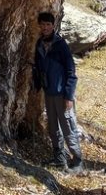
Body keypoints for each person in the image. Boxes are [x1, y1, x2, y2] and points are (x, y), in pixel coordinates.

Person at [32, 11, 83, 171]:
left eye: (48, 24)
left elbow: (71, 73)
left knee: (68, 126)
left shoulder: (61, 45)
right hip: (49, 92)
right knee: (53, 127)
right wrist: (37, 85)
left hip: (62, 95)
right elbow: (38, 68)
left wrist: (68, 96)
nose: (45, 27)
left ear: (53, 25)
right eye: (43, 24)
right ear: (39, 26)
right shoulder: (40, 44)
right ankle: (59, 158)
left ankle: (77, 161)